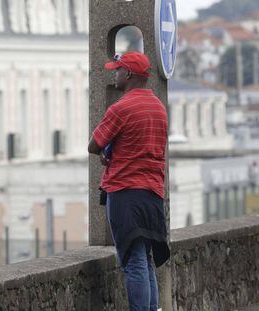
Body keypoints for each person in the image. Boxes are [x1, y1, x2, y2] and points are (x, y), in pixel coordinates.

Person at [88, 51, 170, 311]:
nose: (115, 73)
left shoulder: (121, 108)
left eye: (118, 69)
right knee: (144, 258)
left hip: (125, 192)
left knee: (133, 260)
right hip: (153, 193)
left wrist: (106, 151)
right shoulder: (158, 107)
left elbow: (94, 145)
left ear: (130, 74)